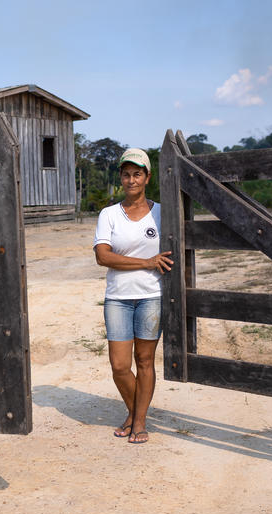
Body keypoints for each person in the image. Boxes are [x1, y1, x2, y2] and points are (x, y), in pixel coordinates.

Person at [93, 148, 173, 444]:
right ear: (121, 178)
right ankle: (134, 411)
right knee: (119, 365)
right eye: (126, 174)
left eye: (137, 174)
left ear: (147, 177)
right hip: (118, 298)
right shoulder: (109, 214)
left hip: (152, 295)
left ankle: (138, 421)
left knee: (144, 361)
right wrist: (146, 262)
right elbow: (103, 256)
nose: (131, 180)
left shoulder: (163, 213)